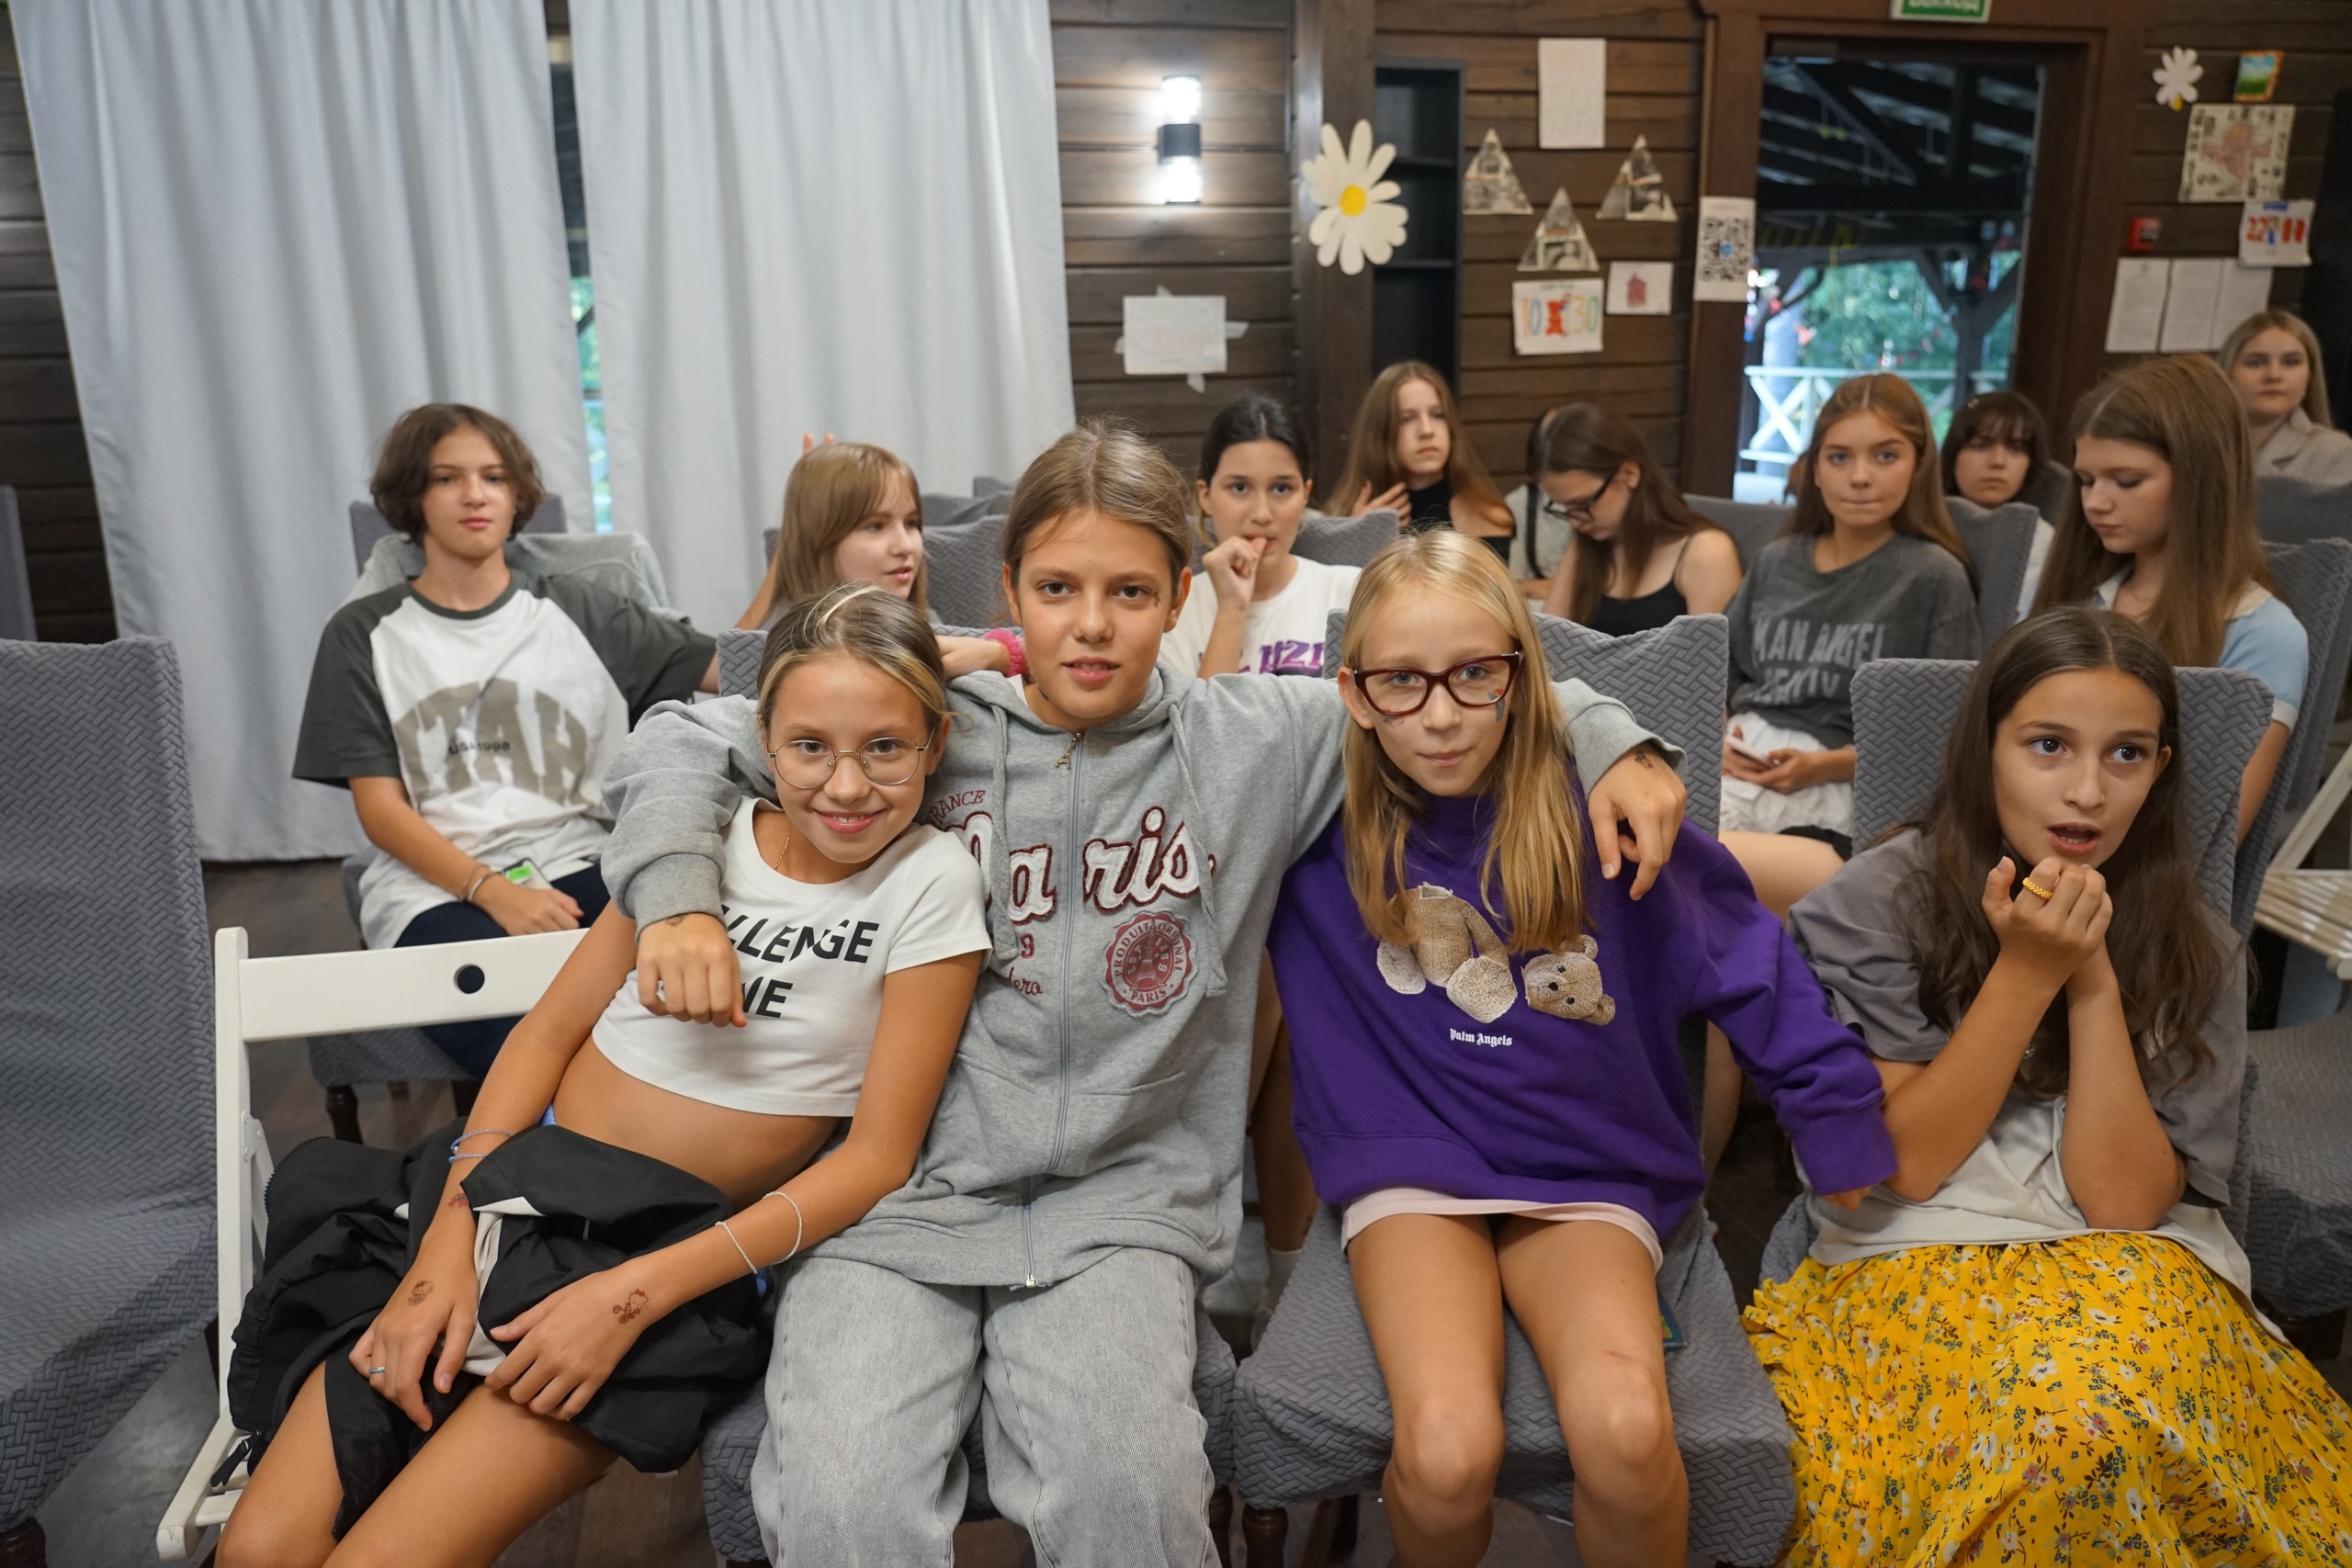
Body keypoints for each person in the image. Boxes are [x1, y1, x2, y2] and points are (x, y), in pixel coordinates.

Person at [592, 418, 1691, 1563]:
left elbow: (1445, 682)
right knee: (841, 1503)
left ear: (1179, 597)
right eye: (1056, 589)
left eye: (1128, 591)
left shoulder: (1258, 742)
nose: (1091, 624)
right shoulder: (916, 728)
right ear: (1009, 589)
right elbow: (683, 734)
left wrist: (1612, 740)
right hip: (893, 1202)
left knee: (1132, 1500)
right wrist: (675, 899)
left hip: (1121, 1213)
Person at [220, 585, 991, 1568]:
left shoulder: (929, 882)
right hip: (495, 1198)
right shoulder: (692, 843)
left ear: (934, 742)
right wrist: (443, 1251)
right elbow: (543, 1039)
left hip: (664, 1260)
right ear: (763, 737)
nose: (846, 785)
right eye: (809, 746)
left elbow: (876, 1158)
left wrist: (627, 1298)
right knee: (258, 1550)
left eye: (884, 747)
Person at [1266, 531, 1894, 1568]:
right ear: (1354, 694)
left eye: (1475, 675)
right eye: (1402, 681)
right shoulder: (1304, 813)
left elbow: (1747, 956)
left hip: (1586, 1163)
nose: (1439, 714)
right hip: (1412, 1164)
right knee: (1446, 1450)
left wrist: (1835, 1114)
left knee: (1628, 1432)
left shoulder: (1603, 812)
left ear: (1520, 676)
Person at [1747, 606, 2352, 1562]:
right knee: (2060, 1437)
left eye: (2126, 754)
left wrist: (2089, 974)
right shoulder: (1871, 902)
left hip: (2126, 1262)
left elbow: (2124, 1205)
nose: (2086, 792)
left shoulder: (2195, 941)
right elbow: (1909, 1165)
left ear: (2160, 770)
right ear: (1985, 749)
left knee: (2118, 1425)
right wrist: (2026, 973)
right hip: (1916, 1250)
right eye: (2047, 745)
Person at [293, 403, 719, 1078]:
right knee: (521, 1036)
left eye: (494, 477)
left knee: (668, 1006)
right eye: (447, 478)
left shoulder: (580, 608)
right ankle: (568, 1134)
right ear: (412, 497)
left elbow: (733, 667)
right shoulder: (361, 634)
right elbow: (380, 810)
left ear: (517, 495)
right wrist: (494, 891)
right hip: (434, 885)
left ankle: (609, 1133)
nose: (475, 495)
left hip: (584, 856)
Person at [1159, 390, 1344, 1340]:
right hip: (1209, 853)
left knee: (1282, 959)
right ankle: (1261, 1259)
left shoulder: (1344, 592)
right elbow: (1201, 752)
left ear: (1309, 493)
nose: (1260, 512)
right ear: (1204, 497)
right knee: (1267, 958)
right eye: (1238, 488)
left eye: (1281, 488)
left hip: (1323, 849)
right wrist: (1230, 606)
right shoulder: (1174, 603)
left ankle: (1265, 1265)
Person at [1719, 372, 1978, 908]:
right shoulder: (1776, 561)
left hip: (1852, 782)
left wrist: (1826, 766)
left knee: (1703, 873)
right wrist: (1717, 738)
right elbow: (1719, 672)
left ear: (1919, 465)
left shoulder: (1934, 576)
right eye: (1838, 458)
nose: (1860, 477)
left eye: (1886, 456)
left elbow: (1950, 729)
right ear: (1815, 468)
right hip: (1739, 762)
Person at [2036, 353, 2308, 842]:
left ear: (2201, 479)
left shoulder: (2265, 634)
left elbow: (2212, 837)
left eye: (2127, 481)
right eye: (2086, 481)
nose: (2095, 502)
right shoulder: (2079, 598)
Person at [736, 439, 1016, 677]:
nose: (905, 546)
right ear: (818, 538)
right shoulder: (789, 644)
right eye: (875, 526)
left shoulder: (926, 621)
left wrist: (1004, 657)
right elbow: (727, 668)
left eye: (911, 523)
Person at [1528, 402, 1742, 632]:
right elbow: (1549, 641)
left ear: (1629, 474)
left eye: (1583, 503)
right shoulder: (1590, 545)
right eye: (1564, 508)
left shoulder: (1706, 552)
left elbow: (1711, 654)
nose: (1573, 521)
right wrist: (1577, 546)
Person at [1337, 360, 1517, 560]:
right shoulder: (1345, 520)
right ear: (1381, 431)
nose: (1427, 430)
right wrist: (1355, 539)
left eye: (1438, 415)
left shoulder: (1487, 516)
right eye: (1407, 418)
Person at [1942, 388, 2058, 617]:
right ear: (1953, 455)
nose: (1998, 461)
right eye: (1981, 445)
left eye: (2016, 448)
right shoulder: (1924, 524)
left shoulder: (2043, 541)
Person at [2221, 308, 2352, 488]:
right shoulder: (2197, 445)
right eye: (2256, 363)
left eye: (2291, 362)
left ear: (2310, 376)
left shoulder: (2336, 453)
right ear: (2227, 373)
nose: (2274, 375)